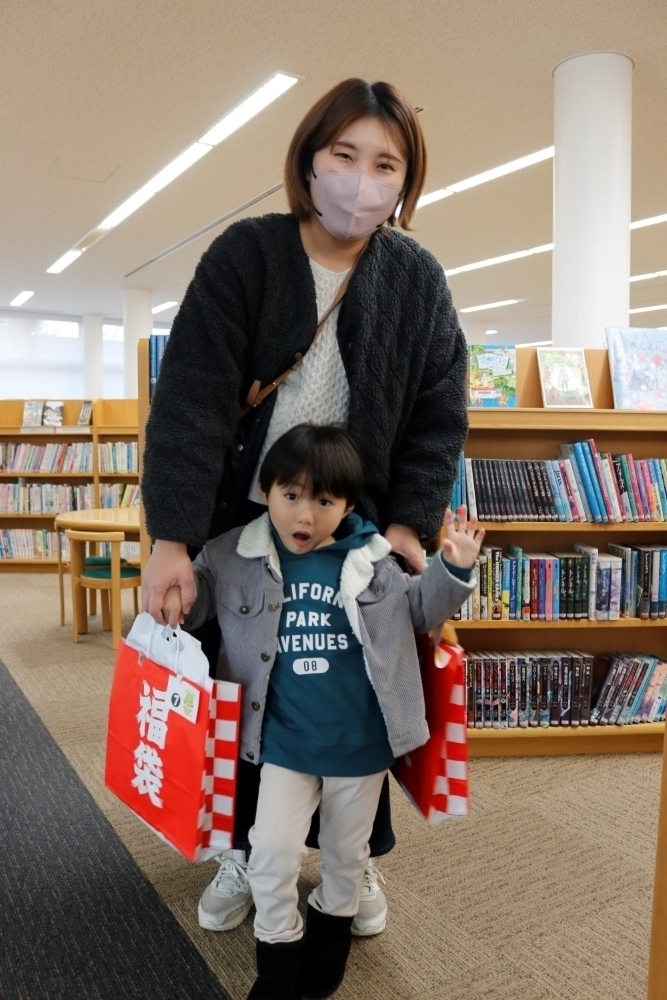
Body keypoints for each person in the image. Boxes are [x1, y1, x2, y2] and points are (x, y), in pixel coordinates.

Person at [141, 77, 469, 937]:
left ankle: (351, 867)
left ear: (406, 180)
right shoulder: (245, 256)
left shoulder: (414, 277)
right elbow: (191, 398)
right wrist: (171, 539)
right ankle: (246, 853)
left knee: (355, 691)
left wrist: (405, 525)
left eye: (384, 164)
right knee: (247, 692)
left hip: (354, 536)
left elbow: (439, 412)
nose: (361, 181)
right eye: (343, 156)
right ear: (308, 159)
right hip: (243, 533)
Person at [162, 425, 483, 1000]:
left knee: (345, 858)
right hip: (282, 746)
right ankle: (278, 956)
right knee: (270, 851)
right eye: (291, 496)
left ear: (349, 505)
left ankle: (329, 940)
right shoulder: (235, 555)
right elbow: (198, 604)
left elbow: (417, 613)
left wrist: (451, 571)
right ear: (266, 491)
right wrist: (173, 594)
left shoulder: (374, 562)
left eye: (324, 501)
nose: (304, 515)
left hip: (358, 751)